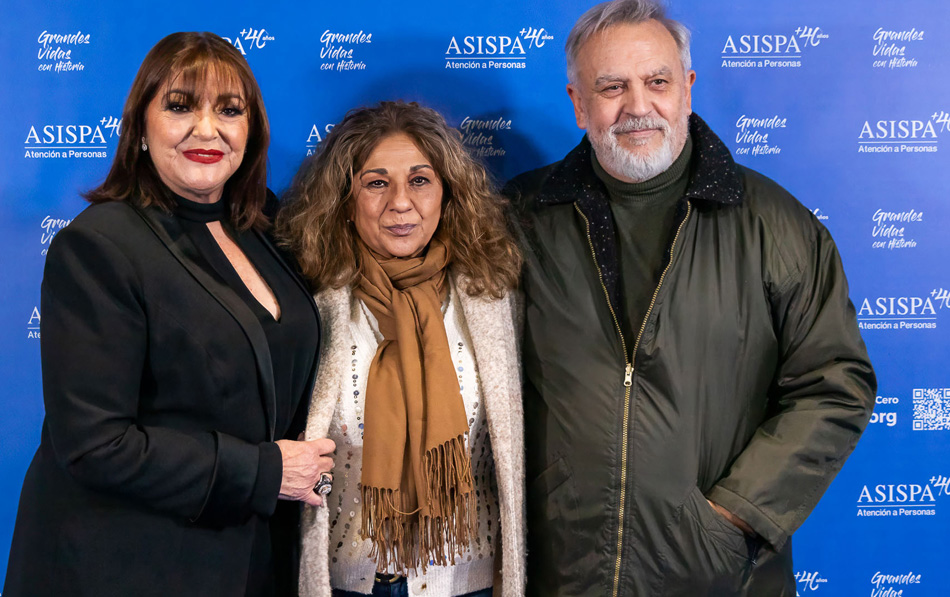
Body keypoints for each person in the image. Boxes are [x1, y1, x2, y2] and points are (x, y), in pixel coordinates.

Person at [503, 1, 877, 595]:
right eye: (611, 87)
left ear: (687, 88)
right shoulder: (519, 218)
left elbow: (834, 383)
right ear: (578, 103)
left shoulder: (774, 223)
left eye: (657, 81)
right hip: (562, 572)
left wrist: (735, 517)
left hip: (720, 575)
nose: (637, 106)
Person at [4, 32, 334, 596]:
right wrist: (266, 471)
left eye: (229, 110)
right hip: (128, 564)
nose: (207, 128)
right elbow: (95, 445)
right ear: (139, 127)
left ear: (250, 131)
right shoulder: (99, 247)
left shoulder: (262, 224)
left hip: (245, 557)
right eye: (180, 105)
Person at [276, 101, 525, 597]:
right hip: (349, 581)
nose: (400, 203)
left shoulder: (493, 298)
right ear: (345, 199)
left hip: (466, 581)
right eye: (375, 183)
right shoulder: (309, 299)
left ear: (447, 194)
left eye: (419, 180)